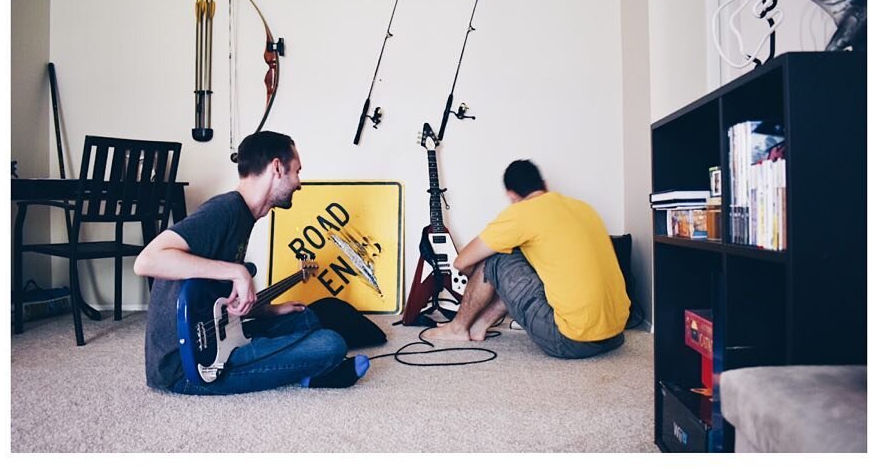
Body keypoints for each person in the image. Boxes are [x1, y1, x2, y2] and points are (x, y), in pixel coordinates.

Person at [135, 131, 368, 394]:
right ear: (277, 168)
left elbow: (217, 301)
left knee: (306, 319)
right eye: (296, 171)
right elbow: (146, 261)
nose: (299, 183)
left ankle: (304, 371)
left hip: (217, 337)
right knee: (330, 344)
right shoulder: (224, 210)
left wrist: (267, 310)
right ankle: (309, 370)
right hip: (187, 366)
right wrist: (237, 272)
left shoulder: (243, 215)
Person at [425, 159, 629, 359]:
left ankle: (458, 327)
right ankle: (480, 326)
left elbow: (461, 262)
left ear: (512, 195)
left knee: (495, 258)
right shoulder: (584, 208)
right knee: (530, 258)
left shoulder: (522, 212)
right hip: (615, 334)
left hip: (571, 341)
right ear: (544, 185)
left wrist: (487, 280)